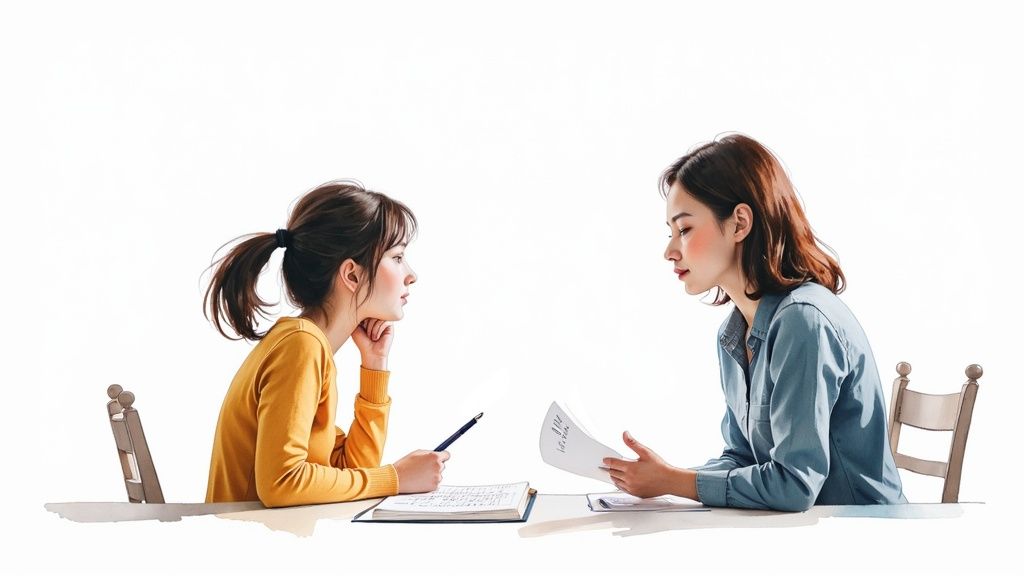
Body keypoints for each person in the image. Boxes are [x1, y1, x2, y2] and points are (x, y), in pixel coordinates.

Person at [603, 135, 905, 511]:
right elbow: (743, 457)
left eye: (684, 229)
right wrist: (662, 480)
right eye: (670, 232)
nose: (669, 251)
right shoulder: (734, 334)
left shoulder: (802, 321)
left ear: (739, 223)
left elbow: (794, 485)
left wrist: (675, 482)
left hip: (859, 537)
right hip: (802, 532)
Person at [203, 180, 447, 507]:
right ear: (352, 275)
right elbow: (282, 483)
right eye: (398, 257)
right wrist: (397, 478)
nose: (411, 274)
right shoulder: (301, 346)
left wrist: (374, 367)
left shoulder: (307, 344)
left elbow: (350, 471)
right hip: (247, 546)